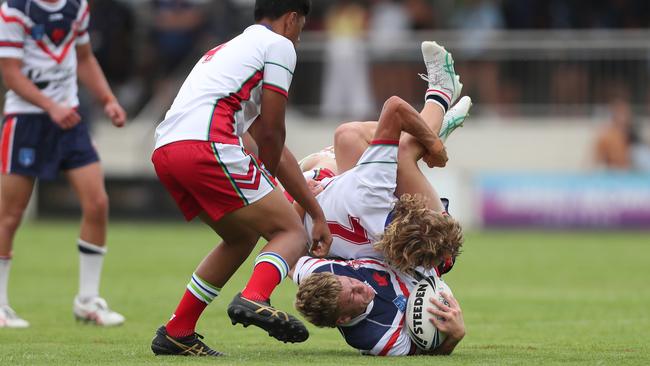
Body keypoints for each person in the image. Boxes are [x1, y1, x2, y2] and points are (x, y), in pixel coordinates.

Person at [150, 0, 332, 357]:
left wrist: (315, 209)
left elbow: (267, 141)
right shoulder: (279, 45)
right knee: (291, 231)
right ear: (292, 18)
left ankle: (177, 331)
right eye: (301, 27)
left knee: (241, 237)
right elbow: (272, 131)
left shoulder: (227, 50)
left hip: (167, 150)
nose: (299, 36)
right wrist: (296, 205)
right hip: (207, 144)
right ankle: (255, 297)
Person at [0, 0, 127, 328]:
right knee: (10, 215)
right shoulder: (15, 9)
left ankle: (88, 302)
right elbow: (10, 72)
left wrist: (107, 99)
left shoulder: (77, 6)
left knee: (97, 203)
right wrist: (50, 106)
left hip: (70, 120)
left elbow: (84, 58)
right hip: (26, 121)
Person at [297, 42, 466, 275]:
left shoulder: (358, 197)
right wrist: (435, 146)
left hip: (398, 239)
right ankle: (441, 95)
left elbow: (293, 250)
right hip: (435, 245)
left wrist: (302, 200)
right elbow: (395, 108)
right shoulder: (371, 191)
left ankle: (432, 129)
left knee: (348, 137)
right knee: (405, 150)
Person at [293, 256, 465, 356]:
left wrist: (301, 204)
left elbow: (290, 253)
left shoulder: (321, 269)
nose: (360, 286)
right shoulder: (379, 338)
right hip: (431, 270)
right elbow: (428, 355)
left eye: (351, 281)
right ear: (344, 318)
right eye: (353, 295)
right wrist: (454, 336)